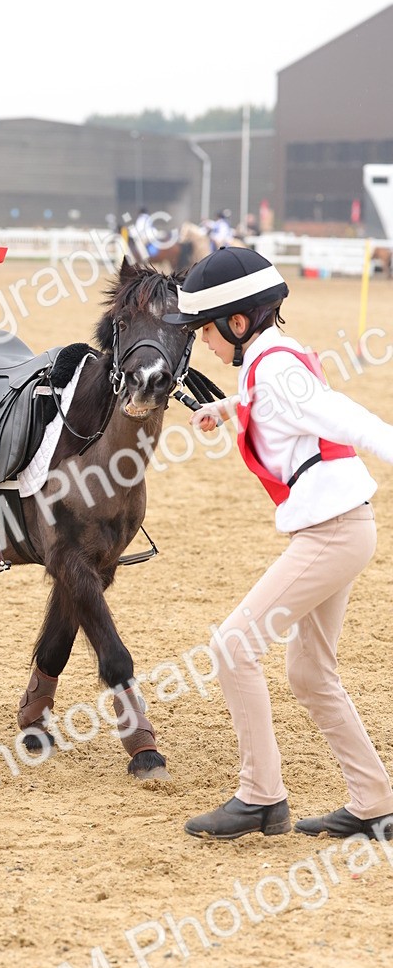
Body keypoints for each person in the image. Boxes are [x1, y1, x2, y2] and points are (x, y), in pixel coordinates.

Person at [163, 246, 393, 841]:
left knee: (232, 645)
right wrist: (227, 405)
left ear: (238, 323)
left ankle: (261, 797)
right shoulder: (267, 362)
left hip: (332, 531)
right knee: (311, 674)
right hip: (342, 526)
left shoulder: (276, 368)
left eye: (207, 333)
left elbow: (344, 417)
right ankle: (374, 803)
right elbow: (277, 401)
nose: (205, 345)